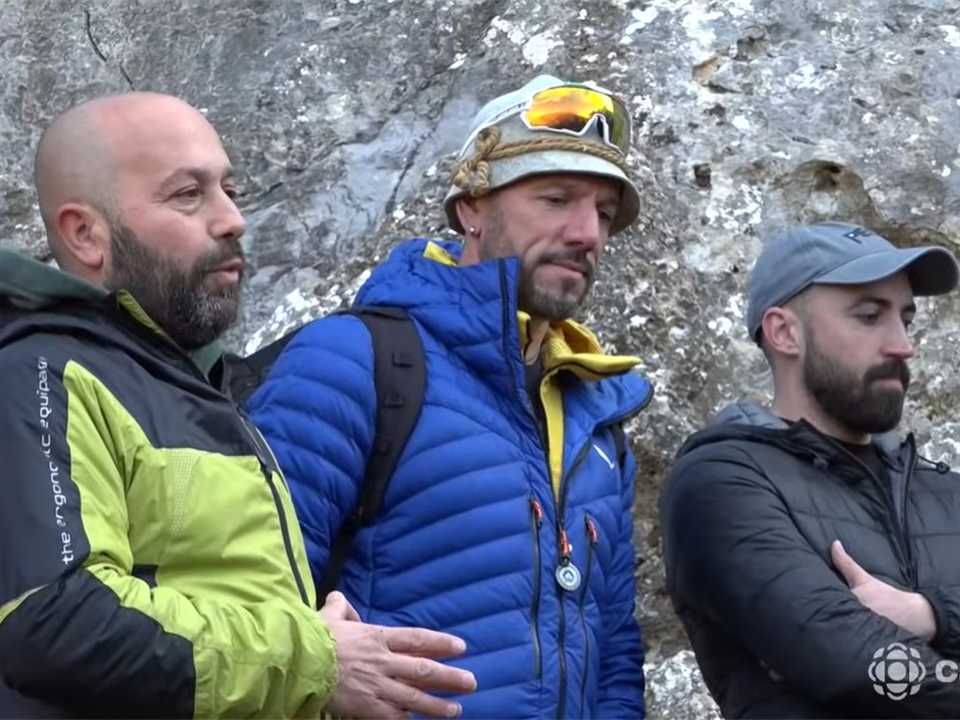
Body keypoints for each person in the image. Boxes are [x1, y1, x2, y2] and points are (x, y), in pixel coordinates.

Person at [0, 92, 476, 719]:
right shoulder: (37, 374)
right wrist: (314, 659)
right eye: (187, 195)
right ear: (86, 234)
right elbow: (54, 617)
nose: (232, 220)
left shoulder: (197, 384)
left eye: (230, 189)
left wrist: (317, 650)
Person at [248, 75, 652, 718]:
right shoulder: (354, 361)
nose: (588, 233)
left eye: (604, 213)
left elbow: (615, 651)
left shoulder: (595, 413)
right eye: (556, 199)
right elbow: (241, 596)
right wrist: (317, 668)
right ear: (472, 209)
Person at [661, 220, 960, 717]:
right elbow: (857, 666)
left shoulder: (946, 493)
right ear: (785, 332)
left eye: (905, 319)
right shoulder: (723, 483)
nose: (902, 345)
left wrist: (931, 615)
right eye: (870, 316)